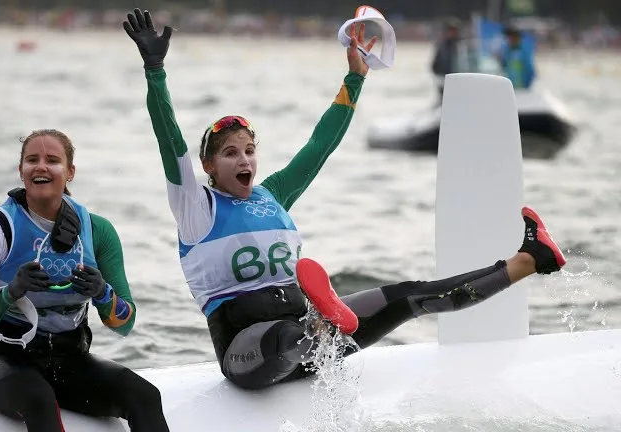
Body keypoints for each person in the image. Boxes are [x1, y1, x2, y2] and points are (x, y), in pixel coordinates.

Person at [123, 9, 566, 391]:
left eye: (249, 150)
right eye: (230, 153)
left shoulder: (272, 195)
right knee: (285, 339)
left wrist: (355, 78)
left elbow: (320, 146)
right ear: (208, 166)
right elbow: (169, 139)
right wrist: (155, 71)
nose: (244, 160)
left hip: (315, 333)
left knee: (412, 295)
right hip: (251, 350)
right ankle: (321, 325)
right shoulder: (196, 207)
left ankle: (530, 258)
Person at [0, 129, 170, 432]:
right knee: (40, 401)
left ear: (69, 172)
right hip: (5, 362)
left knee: (146, 396)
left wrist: (102, 293)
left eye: (52, 160)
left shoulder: (97, 232)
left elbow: (126, 323)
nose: (40, 167)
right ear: (21, 171)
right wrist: (9, 293)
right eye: (32, 160)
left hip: (70, 362)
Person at [431, 18, 462, 101]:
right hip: (445, 82)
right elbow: (434, 66)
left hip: (461, 81)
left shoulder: (463, 46)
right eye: (451, 30)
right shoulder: (442, 47)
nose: (453, 33)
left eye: (455, 30)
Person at [498, 25, 536, 89]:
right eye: (509, 38)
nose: (510, 40)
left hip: (522, 87)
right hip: (511, 87)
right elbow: (504, 66)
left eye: (513, 37)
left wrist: (526, 86)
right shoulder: (507, 51)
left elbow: (531, 71)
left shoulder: (524, 51)